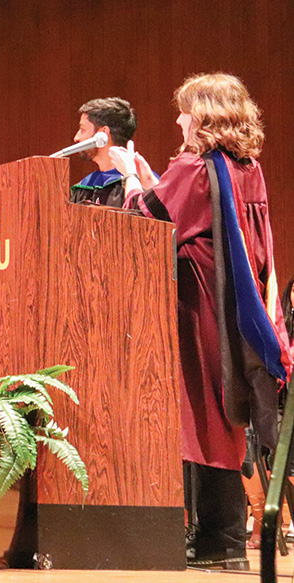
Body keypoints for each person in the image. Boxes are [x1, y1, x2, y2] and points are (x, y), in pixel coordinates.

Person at [111, 72, 290, 570]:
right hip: (238, 302)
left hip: (203, 305)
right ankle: (220, 537)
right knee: (222, 412)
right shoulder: (245, 165)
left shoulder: (195, 167)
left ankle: (220, 541)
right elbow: (183, 211)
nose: (178, 118)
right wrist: (153, 180)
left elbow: (145, 220)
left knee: (206, 418)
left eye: (185, 110)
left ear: (205, 115)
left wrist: (129, 178)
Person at [69, 97, 138, 207]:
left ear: (103, 133)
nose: (76, 138)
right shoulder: (84, 187)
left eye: (82, 130)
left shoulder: (141, 186)